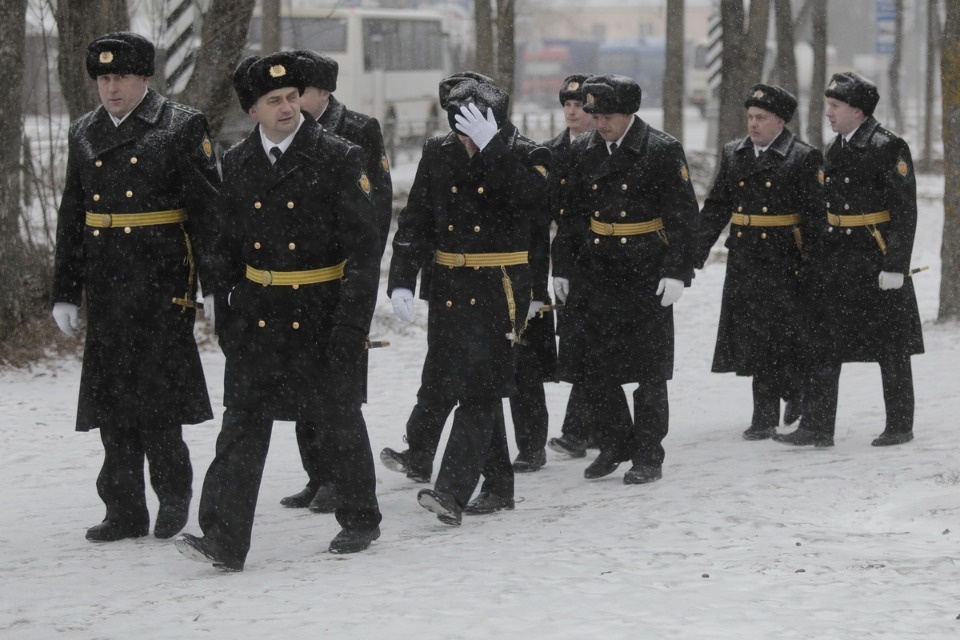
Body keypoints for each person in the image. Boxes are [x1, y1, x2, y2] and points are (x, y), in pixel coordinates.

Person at [175, 52, 383, 571]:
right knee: (241, 426)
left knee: (337, 419)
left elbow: (364, 250)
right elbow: (222, 244)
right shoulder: (237, 161)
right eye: (274, 100)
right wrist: (225, 309)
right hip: (258, 313)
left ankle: (360, 518)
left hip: (321, 310)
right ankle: (223, 538)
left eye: (292, 97)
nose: (287, 107)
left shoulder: (338, 155)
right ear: (253, 110)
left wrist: (351, 324)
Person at [51, 32, 222, 543]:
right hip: (106, 285)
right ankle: (123, 508)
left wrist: (214, 283)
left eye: (120, 77)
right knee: (111, 402)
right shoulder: (84, 131)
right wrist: (65, 289)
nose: (111, 88)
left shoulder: (181, 126)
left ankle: (173, 494)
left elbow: (208, 213)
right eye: (103, 78)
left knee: (157, 400)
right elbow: (71, 215)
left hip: (160, 281)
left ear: (144, 77)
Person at [388, 76, 551, 524]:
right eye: (460, 129)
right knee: (468, 382)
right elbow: (416, 219)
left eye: (475, 128)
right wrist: (402, 279)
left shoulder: (528, 153)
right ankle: (498, 486)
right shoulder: (438, 152)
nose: (466, 140)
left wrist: (493, 148)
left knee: (481, 387)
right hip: (449, 286)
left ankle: (451, 490)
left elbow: (535, 203)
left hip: (500, 285)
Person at [551, 74, 698, 485]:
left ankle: (649, 453)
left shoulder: (661, 150)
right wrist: (561, 267)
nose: (600, 123)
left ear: (630, 112)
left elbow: (685, 218)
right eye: (595, 114)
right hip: (597, 270)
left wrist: (677, 272)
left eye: (608, 116)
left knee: (649, 370)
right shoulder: (585, 151)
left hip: (645, 268)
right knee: (596, 367)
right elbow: (572, 216)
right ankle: (614, 442)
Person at [775, 72, 923, 448]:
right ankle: (817, 426)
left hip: (874, 260)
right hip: (837, 260)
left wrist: (895, 264)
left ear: (857, 112)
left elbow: (904, 212)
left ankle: (899, 425)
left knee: (891, 346)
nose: (828, 113)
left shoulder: (888, 146)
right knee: (823, 341)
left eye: (835, 107)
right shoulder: (837, 147)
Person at [280, 49, 393, 514]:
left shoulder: (359, 130)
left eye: (298, 92)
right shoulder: (284, 131)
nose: (289, 102)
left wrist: (361, 262)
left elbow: (378, 201)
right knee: (299, 384)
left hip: (340, 275)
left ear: (323, 92)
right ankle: (315, 474)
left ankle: (339, 478)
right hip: (295, 276)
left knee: (339, 387)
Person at [695, 84, 822, 440]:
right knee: (754, 336)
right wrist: (695, 251)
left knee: (783, 336)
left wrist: (812, 263)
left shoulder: (803, 157)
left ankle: (793, 392)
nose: (753, 124)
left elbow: (815, 218)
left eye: (761, 118)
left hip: (785, 259)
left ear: (780, 121)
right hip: (746, 257)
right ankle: (765, 414)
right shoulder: (735, 153)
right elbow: (718, 205)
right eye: (750, 117)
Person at [545, 74, 633, 461]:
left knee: (597, 347)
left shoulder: (604, 148)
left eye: (581, 105)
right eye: (568, 104)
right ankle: (588, 428)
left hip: (605, 258)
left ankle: (582, 429)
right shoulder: (554, 151)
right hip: (577, 259)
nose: (574, 111)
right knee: (581, 346)